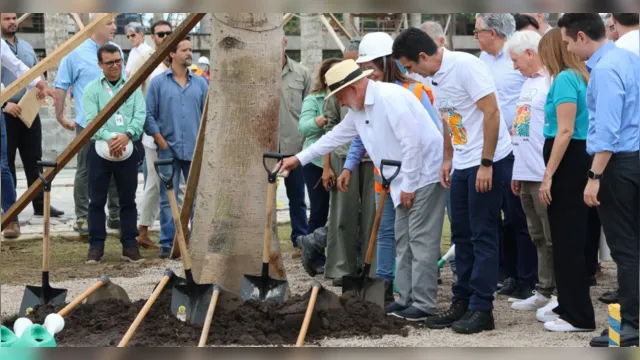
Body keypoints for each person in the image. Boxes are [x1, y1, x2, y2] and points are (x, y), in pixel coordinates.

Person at [279, 58, 446, 321]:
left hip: (424, 175)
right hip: (402, 179)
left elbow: (413, 143)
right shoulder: (359, 110)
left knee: (421, 241)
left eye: (340, 96)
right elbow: (332, 138)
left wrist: (411, 184)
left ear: (354, 88)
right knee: (403, 239)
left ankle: (423, 304)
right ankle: (405, 299)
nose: (340, 103)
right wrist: (297, 159)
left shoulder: (390, 98)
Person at [393, 27, 513, 334]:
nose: (410, 72)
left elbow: (492, 113)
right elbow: (449, 119)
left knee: (482, 234)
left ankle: (482, 308)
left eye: (409, 66)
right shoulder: (433, 77)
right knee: (461, 234)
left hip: (489, 160)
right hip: (461, 162)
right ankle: (462, 300)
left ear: (423, 56)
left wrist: (486, 164)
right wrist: (448, 158)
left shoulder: (466, 67)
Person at [337, 32, 442, 313]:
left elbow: (430, 136)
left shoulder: (414, 91)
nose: (365, 72)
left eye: (369, 66)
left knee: (417, 239)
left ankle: (418, 299)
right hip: (386, 178)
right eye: (362, 67)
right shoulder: (366, 95)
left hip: (416, 177)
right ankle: (392, 290)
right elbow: (357, 133)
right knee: (391, 235)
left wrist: (416, 177)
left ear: (385, 62)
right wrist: (349, 164)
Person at [557, 13, 639, 345]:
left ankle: (629, 327)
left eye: (566, 41)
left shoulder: (605, 69)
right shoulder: (628, 58)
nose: (566, 48)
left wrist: (594, 176)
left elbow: (607, 128)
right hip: (634, 156)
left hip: (618, 163)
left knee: (625, 249)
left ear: (580, 36)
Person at [476, 13, 536, 301]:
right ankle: (507, 273)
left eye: (478, 31)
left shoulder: (518, 58)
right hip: (491, 148)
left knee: (519, 216)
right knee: (497, 215)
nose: (476, 36)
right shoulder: (481, 61)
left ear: (493, 32)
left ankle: (529, 278)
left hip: (517, 148)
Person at [54, 14, 124, 236]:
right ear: (96, 26)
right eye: (110, 23)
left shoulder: (116, 51)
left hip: (115, 124)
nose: (114, 27)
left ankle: (115, 215)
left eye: (114, 22)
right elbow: (61, 86)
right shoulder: (75, 53)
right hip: (88, 125)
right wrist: (60, 116)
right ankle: (82, 217)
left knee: (116, 168)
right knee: (85, 171)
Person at [503, 30, 554, 311]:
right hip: (525, 171)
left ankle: (558, 292)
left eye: (515, 60)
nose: (514, 66)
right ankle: (544, 288)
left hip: (544, 172)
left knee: (551, 236)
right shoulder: (527, 85)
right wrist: (517, 172)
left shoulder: (551, 82)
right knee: (536, 234)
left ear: (530, 53)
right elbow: (520, 130)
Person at [144, 36, 208, 259]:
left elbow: (207, 115)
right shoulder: (158, 83)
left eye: (191, 49)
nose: (189, 54)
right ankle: (168, 243)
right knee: (167, 197)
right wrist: (161, 141)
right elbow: (148, 114)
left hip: (194, 148)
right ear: (172, 54)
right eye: (184, 50)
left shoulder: (201, 82)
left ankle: (196, 242)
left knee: (198, 197)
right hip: (167, 149)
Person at [82, 44, 146, 264]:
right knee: (96, 201)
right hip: (100, 149)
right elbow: (91, 119)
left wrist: (127, 135)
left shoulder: (133, 87)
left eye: (118, 61)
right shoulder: (92, 89)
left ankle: (130, 245)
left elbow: (140, 115)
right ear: (100, 64)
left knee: (128, 199)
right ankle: (96, 246)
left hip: (128, 148)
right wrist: (110, 138)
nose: (115, 66)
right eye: (110, 62)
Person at [1, 13, 65, 230]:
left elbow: (24, 69)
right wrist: (3, 104)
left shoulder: (26, 47)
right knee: (5, 164)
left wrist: (41, 86)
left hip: (29, 111)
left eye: (13, 17)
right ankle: (9, 210)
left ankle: (38, 203)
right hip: (6, 113)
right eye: (5, 18)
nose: (11, 21)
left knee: (34, 158)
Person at [321, 38, 376, 287]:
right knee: (343, 216)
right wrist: (326, 166)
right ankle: (342, 268)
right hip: (343, 158)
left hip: (374, 159)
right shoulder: (336, 89)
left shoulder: (374, 87)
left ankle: (372, 269)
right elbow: (329, 130)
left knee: (372, 218)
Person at [296, 58, 342, 276]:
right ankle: (314, 255)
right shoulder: (314, 100)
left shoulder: (345, 96)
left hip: (341, 162)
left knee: (341, 212)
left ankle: (334, 255)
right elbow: (304, 128)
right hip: (316, 163)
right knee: (319, 211)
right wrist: (326, 118)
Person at [136, 19, 178, 250]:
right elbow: (134, 91)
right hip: (153, 136)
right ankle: (143, 230)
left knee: (176, 185)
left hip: (177, 135)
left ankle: (174, 231)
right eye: (160, 34)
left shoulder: (176, 61)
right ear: (152, 37)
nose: (164, 37)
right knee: (154, 182)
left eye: (168, 33)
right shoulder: (147, 61)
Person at [279, 37, 312, 253]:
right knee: (260, 199)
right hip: (265, 148)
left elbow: (309, 109)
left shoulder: (302, 73)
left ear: (284, 41)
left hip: (295, 147)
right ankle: (263, 239)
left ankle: (299, 239)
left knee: (297, 198)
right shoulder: (258, 73)